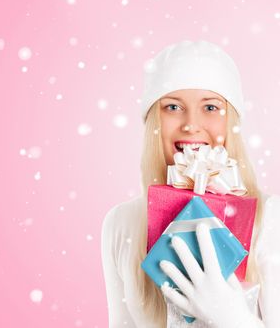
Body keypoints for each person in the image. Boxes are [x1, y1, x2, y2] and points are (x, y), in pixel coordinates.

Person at [101, 40, 280, 327]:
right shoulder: (122, 222)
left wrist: (233, 319)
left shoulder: (272, 218)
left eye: (210, 107)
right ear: (152, 121)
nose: (190, 124)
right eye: (172, 107)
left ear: (231, 121)